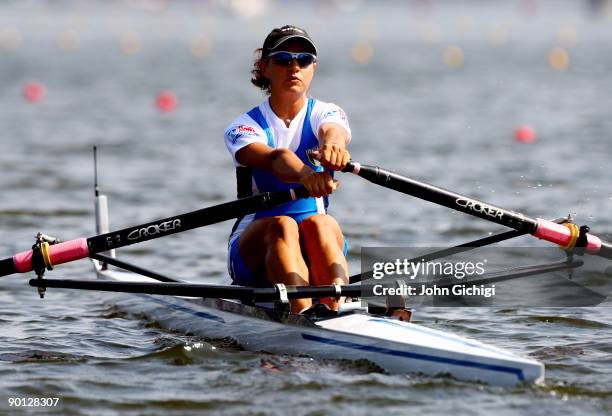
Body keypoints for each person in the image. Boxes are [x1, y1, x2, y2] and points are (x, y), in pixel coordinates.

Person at [224, 25, 351, 314]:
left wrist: (334, 147)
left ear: (313, 68)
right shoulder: (244, 127)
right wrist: (306, 175)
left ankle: (337, 309)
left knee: (321, 223)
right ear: (264, 67)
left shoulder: (327, 113)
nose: (294, 66)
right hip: (253, 251)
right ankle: (304, 315)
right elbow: (276, 159)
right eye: (283, 59)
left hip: (316, 240)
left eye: (304, 59)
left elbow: (334, 132)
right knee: (284, 224)